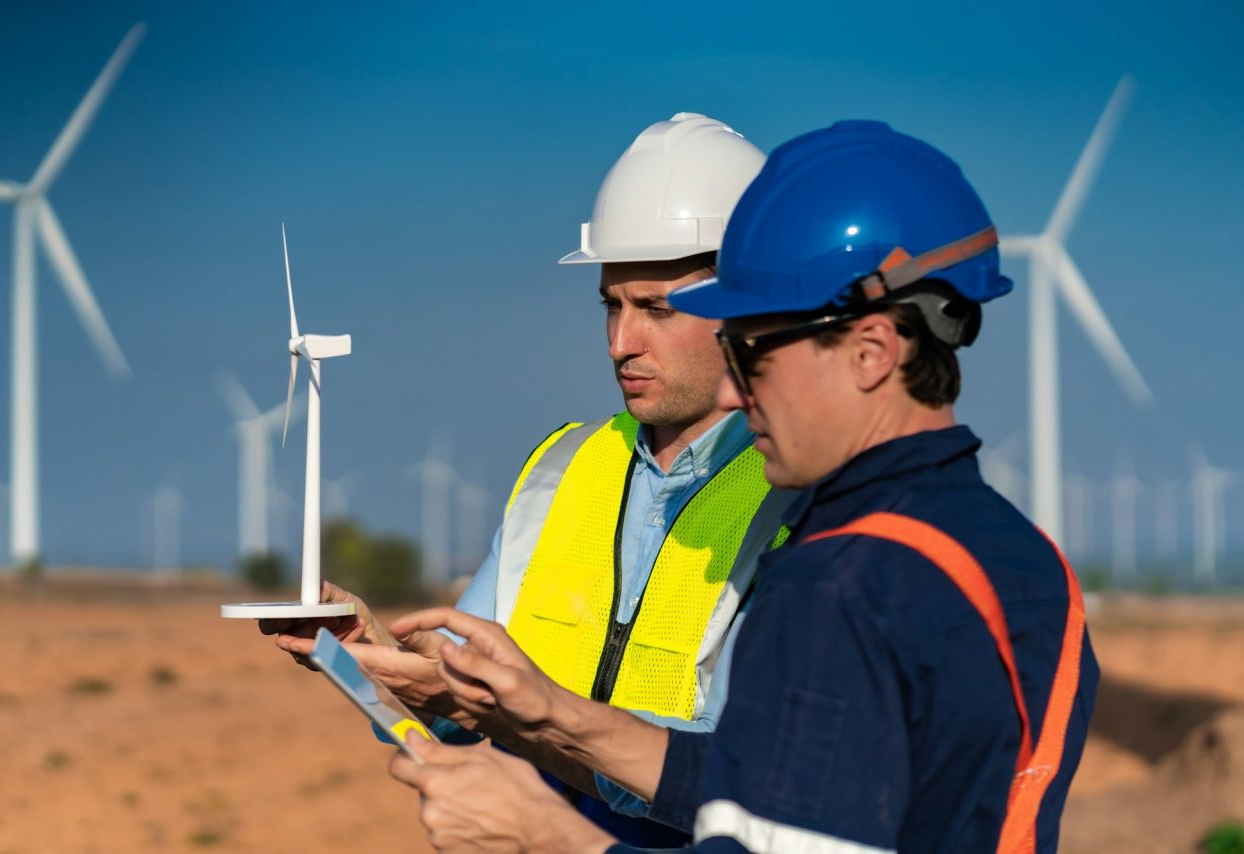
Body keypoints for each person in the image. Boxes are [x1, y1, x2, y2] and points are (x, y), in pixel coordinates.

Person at [381, 120, 1100, 853]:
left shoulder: (836, 585)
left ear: (871, 352)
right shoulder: (1029, 563)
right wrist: (553, 716)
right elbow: (782, 795)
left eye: (751, 350)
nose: (732, 393)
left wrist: (549, 838)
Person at [263, 112, 793, 847]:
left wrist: (515, 721)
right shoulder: (560, 469)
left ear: (743, 308)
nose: (620, 343)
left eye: (655, 310)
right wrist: (371, 654)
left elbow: (741, 781)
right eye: (610, 305)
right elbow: (455, 704)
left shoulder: (794, 494)